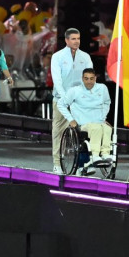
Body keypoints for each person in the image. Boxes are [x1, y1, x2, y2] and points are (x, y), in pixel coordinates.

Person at [50, 28, 94, 174]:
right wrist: (65, 99)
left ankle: (83, 164)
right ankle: (57, 163)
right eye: (73, 39)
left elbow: (89, 78)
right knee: (58, 131)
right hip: (61, 99)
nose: (77, 41)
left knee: (85, 131)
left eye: (78, 38)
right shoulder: (57, 57)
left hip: (79, 100)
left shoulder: (85, 56)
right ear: (67, 40)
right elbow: (57, 80)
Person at [58, 68, 113, 174]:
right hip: (83, 123)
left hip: (99, 121)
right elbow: (61, 104)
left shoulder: (102, 88)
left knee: (107, 129)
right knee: (96, 128)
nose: (89, 81)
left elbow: (107, 102)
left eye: (92, 79)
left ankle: (105, 154)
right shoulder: (75, 91)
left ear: (95, 78)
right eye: (86, 79)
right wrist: (71, 119)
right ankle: (95, 155)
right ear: (82, 79)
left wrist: (103, 117)